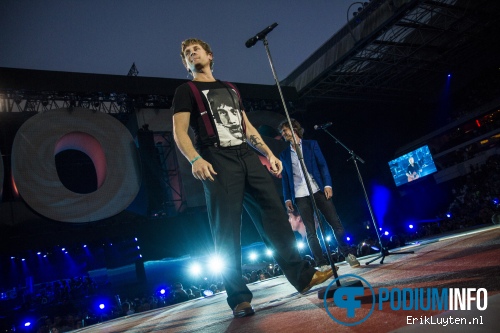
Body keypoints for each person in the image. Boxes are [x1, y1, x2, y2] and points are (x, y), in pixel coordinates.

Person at [171, 38, 334, 318]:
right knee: (226, 229)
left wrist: (270, 154)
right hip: (216, 158)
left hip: (246, 155)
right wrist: (195, 159)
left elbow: (246, 127)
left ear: (210, 55)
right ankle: (238, 298)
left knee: (274, 214)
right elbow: (179, 131)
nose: (191, 54)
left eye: (196, 49)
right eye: (187, 53)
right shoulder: (186, 91)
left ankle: (303, 277)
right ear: (186, 64)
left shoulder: (230, 88)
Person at [278, 119, 360, 270]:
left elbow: (322, 165)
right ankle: (321, 263)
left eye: (285, 130)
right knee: (310, 232)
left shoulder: (311, 144)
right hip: (300, 195)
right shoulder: (284, 155)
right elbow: (286, 178)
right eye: (282, 132)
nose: (283, 133)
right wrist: (287, 198)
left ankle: (347, 253)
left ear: (294, 128)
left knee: (336, 224)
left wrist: (327, 184)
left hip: (318, 190)